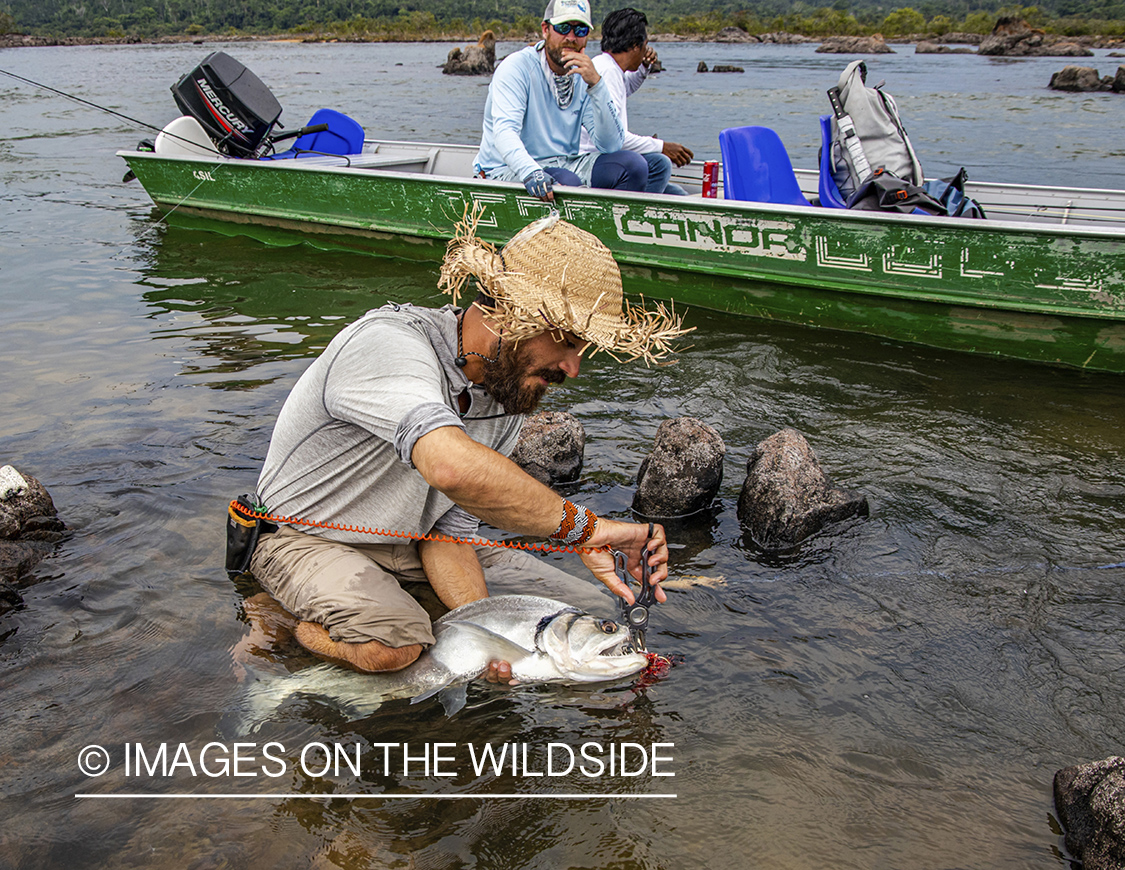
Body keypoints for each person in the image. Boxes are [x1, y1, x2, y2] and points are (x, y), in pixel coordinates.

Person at [243, 210, 691, 681]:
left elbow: (451, 528)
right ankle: (282, 617)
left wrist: (491, 636)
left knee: (588, 617)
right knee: (394, 649)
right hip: (307, 538)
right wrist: (584, 529)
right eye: (567, 341)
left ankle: (401, 608)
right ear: (511, 313)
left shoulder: (508, 390)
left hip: (420, 542)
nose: (574, 368)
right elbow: (450, 466)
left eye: (582, 349)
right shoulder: (387, 344)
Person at [473, 0, 651, 202]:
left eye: (580, 30)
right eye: (563, 28)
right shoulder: (516, 68)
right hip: (507, 168)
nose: (571, 38)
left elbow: (610, 144)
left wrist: (597, 85)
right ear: (545, 29)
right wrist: (531, 171)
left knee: (634, 166)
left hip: (564, 163)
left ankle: (609, 227)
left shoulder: (584, 74)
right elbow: (504, 132)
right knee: (568, 183)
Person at [579, 8, 693, 195]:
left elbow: (625, 89)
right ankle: (638, 217)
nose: (646, 51)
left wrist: (643, 68)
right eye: (645, 45)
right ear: (634, 45)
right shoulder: (608, 73)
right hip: (594, 158)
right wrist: (663, 147)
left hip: (605, 156)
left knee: (677, 194)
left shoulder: (605, 65)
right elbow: (617, 139)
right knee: (660, 164)